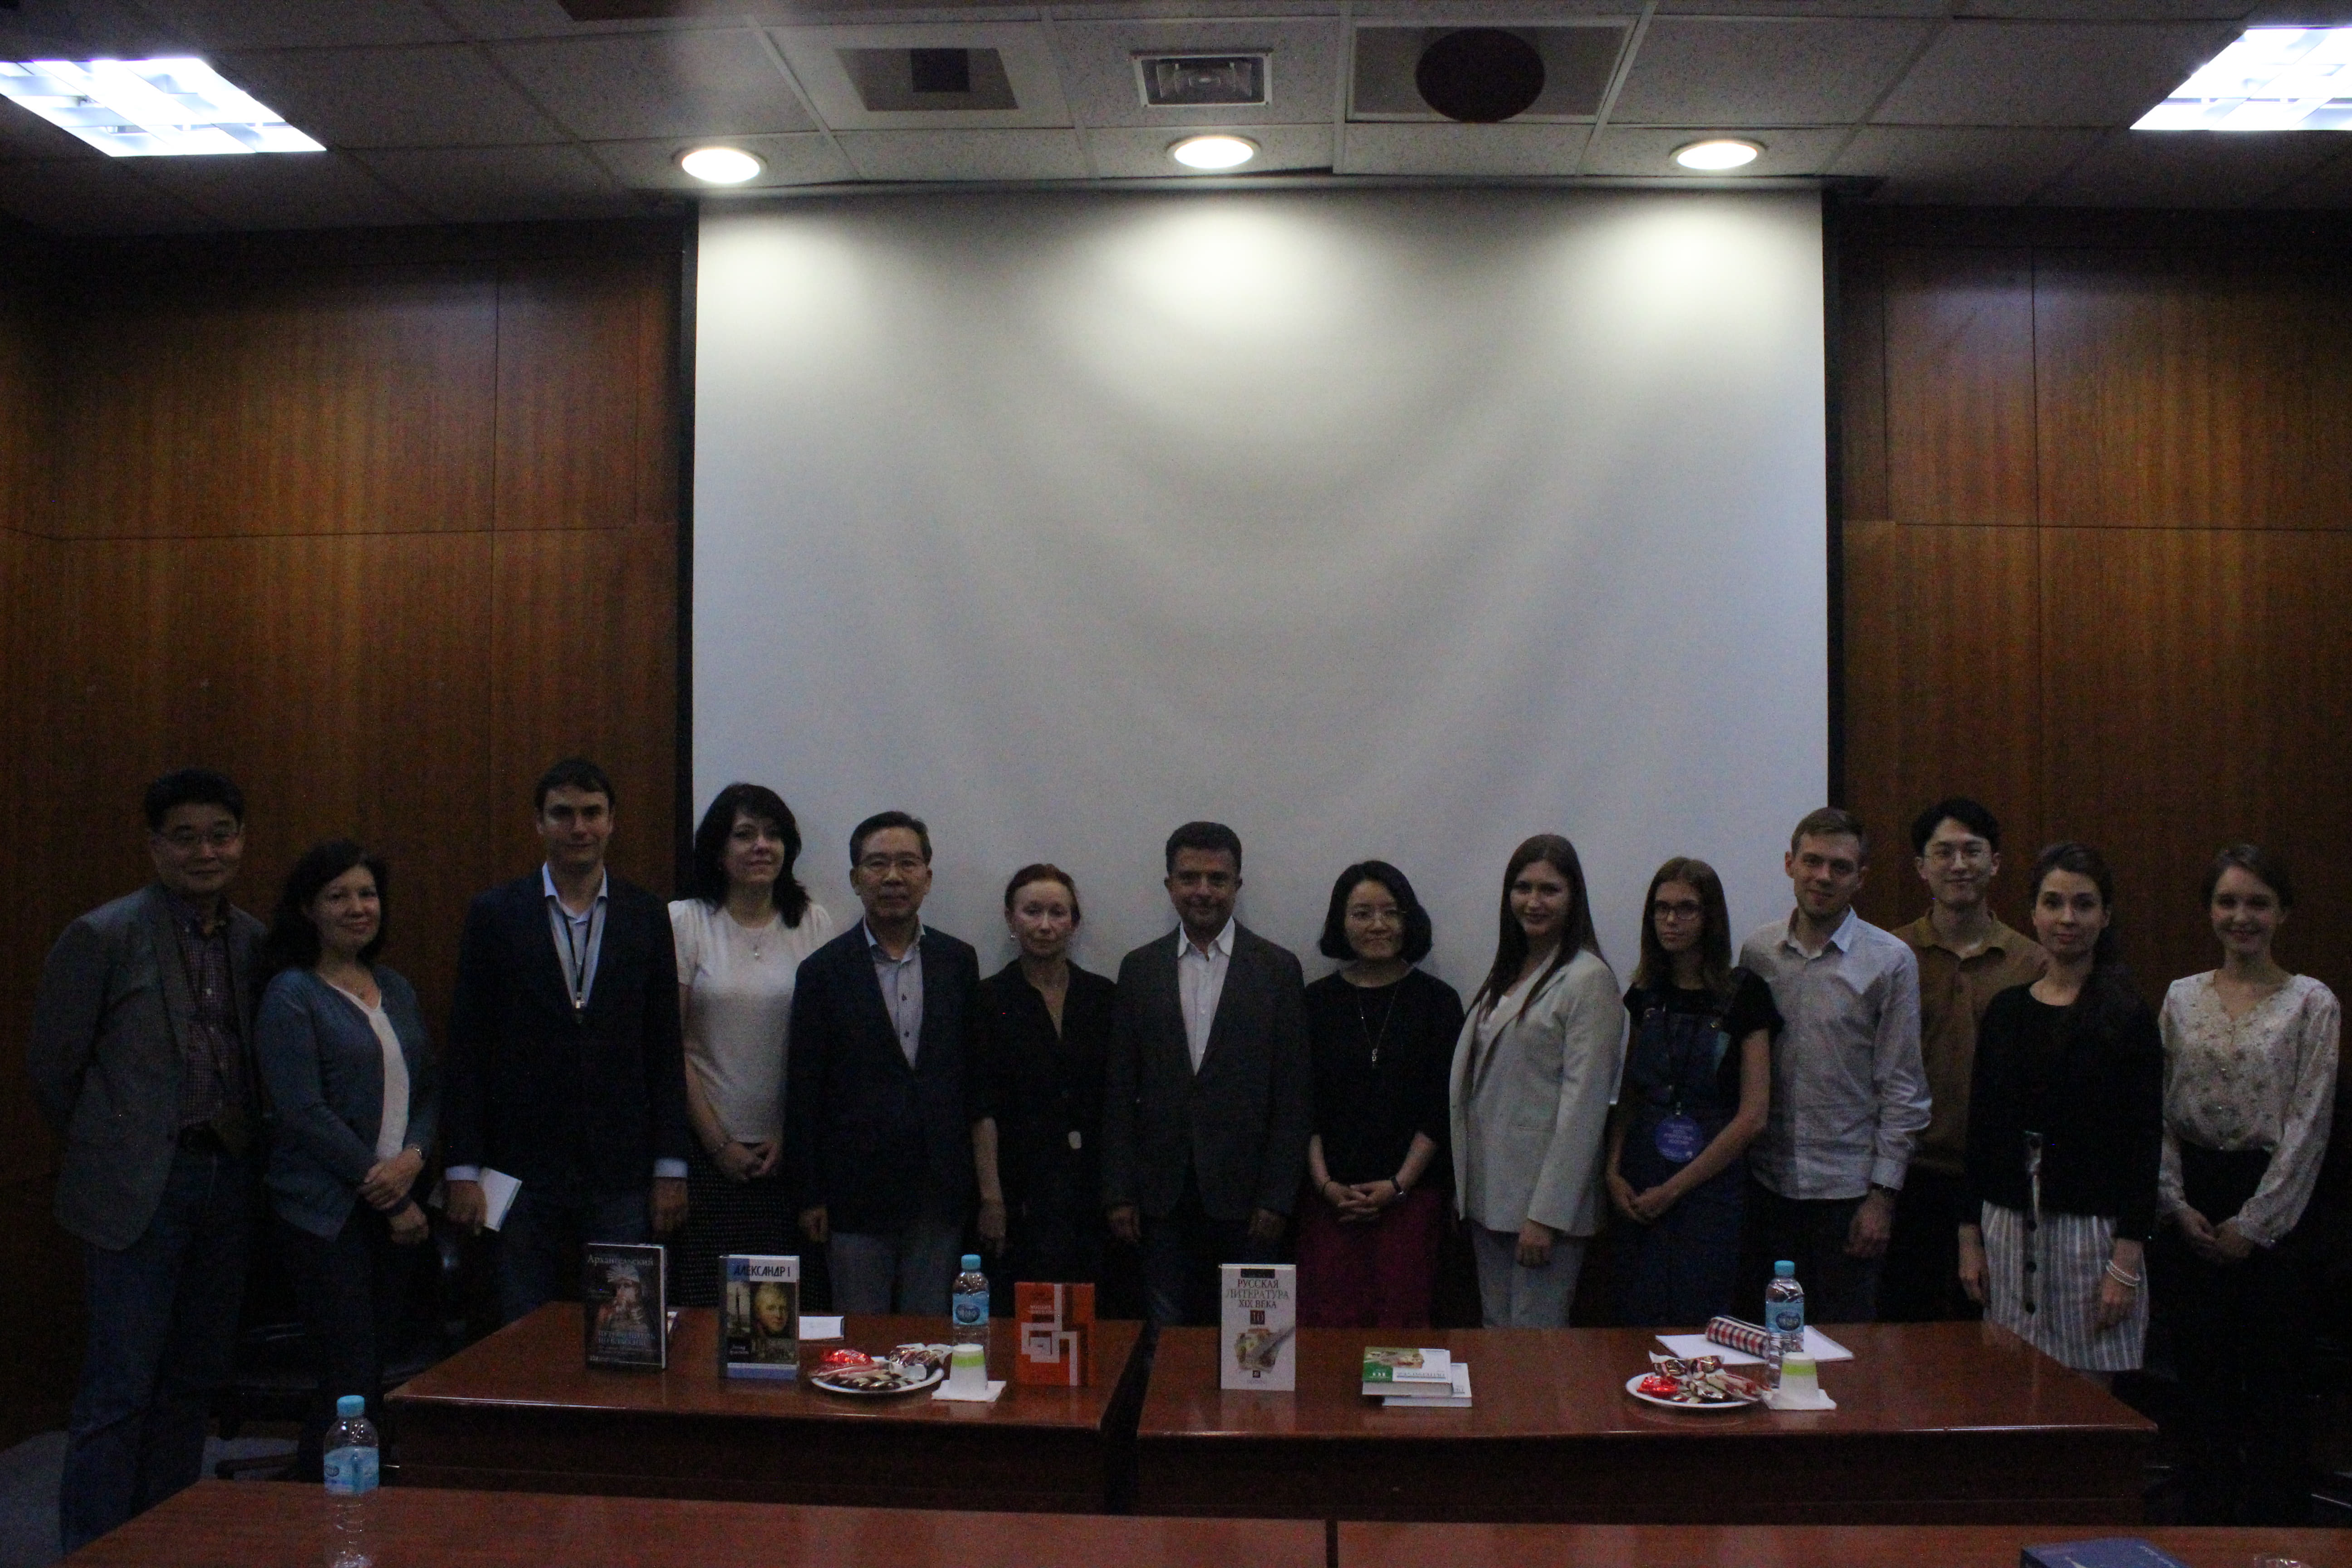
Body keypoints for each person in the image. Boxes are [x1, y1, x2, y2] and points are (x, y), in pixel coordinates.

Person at [29, 769, 266, 1554]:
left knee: (192, 1383)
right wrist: (119, 1146)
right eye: (186, 837)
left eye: (221, 835)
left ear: (242, 841)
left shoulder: (253, 940)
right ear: (155, 846)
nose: (206, 852)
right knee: (120, 1388)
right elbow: (54, 1070)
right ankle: (95, 1549)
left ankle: (165, 1542)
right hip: (136, 1190)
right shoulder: (103, 936)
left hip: (225, 1180)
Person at [443, 758, 691, 1323]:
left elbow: (663, 1048)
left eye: (592, 813)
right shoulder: (495, 914)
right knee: (521, 1329)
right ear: (539, 823)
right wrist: (461, 1168)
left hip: (622, 1171)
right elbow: (468, 1048)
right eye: (562, 814)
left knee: (625, 1332)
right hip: (520, 1171)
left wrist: (671, 1167)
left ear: (612, 822)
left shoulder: (646, 915)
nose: (579, 827)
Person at [2158, 845, 2339, 1523]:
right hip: (2192, 1204)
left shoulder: (2312, 1003)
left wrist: (2256, 1224)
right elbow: (2158, 1112)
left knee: (2273, 1387)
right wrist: (2176, 1205)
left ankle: (2274, 1538)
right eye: (2228, 902)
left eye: (2258, 903)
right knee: (2200, 1383)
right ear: (2210, 910)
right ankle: (2204, 1528)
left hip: (2277, 1209)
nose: (2242, 917)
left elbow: (2310, 1123)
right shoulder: (2180, 997)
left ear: (2283, 912)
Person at [253, 841, 436, 1480]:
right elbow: (303, 1112)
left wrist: (414, 1158)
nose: (358, 908)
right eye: (339, 896)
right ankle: (327, 1504)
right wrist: (388, 1190)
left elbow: (428, 1092)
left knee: (374, 1369)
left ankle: (358, 1496)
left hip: (396, 1206)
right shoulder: (292, 994)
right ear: (308, 909)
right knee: (348, 1373)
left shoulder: (396, 988)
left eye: (367, 894)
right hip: (325, 1214)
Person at [1959, 842, 2162, 1381]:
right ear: (2033, 913)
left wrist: (2126, 1261)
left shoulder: (2127, 1017)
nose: (2067, 918)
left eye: (2083, 904)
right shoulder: (2007, 1012)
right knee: (2010, 1388)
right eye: (2053, 903)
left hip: (2091, 1238)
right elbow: (1981, 1132)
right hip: (2006, 1228)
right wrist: (1969, 1238)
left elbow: (2144, 1145)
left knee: (2084, 1398)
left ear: (2106, 915)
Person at [1102, 822, 1313, 1327]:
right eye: (1189, 878)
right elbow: (1120, 1089)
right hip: (1160, 1193)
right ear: (1169, 885)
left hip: (1249, 1196)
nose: (1203, 891)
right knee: (1164, 1333)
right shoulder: (1139, 969)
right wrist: (1119, 1191)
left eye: (1217, 879)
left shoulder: (1278, 969)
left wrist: (1278, 1196)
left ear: (1237, 885)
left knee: (1253, 1342)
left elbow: (1293, 1095)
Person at [785, 811, 986, 1314]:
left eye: (907, 863)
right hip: (854, 1196)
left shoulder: (959, 962)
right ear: (856, 879)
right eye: (877, 864)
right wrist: (810, 1195)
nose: (893, 877)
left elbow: (971, 1080)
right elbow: (805, 1092)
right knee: (862, 1338)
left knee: (929, 1340)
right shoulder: (822, 972)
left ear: (927, 878)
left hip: (939, 1192)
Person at [1738, 807, 1927, 1324]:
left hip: (1848, 1194)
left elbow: (1904, 1089)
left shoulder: (1891, 961)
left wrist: (1882, 1199)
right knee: (1770, 1342)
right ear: (1790, 864)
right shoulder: (1758, 952)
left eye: (1840, 867)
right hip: (1767, 1186)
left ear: (1860, 877)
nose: (1823, 876)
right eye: (1812, 861)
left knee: (1848, 1350)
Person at [668, 784, 835, 1307]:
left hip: (789, 1157)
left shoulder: (813, 922)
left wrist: (790, 1133)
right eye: (745, 835)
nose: (762, 846)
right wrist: (718, 1144)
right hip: (705, 1155)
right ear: (719, 850)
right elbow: (671, 1045)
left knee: (779, 1318)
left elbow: (822, 1048)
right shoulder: (687, 921)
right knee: (712, 1312)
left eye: (773, 834)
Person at [1882, 797, 2048, 1323]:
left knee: (1989, 1332)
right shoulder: (1891, 955)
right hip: (1906, 1175)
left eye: (1972, 852)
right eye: (1944, 852)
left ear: (1994, 862)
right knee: (1904, 1331)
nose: (1959, 865)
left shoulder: (2032, 962)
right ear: (1921, 866)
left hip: (2000, 1178)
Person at [1448, 834, 1624, 1328]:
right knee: (1497, 1337)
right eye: (1523, 887)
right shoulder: (1507, 972)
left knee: (1536, 1344)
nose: (1534, 901)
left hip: (1541, 1210)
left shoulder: (1588, 979)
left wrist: (1547, 1216)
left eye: (1550, 890)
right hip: (1489, 1197)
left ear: (1574, 898)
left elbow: (1584, 1109)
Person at [1605, 857, 1779, 1327]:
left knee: (1699, 1320)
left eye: (1686, 909)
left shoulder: (1745, 994)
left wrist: (1674, 1190)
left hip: (1710, 1183)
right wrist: (1613, 1171)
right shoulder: (1646, 993)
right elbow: (1630, 1093)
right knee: (1635, 1315)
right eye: (1661, 909)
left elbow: (1754, 1117)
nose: (1671, 920)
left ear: (1710, 918)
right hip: (1642, 1173)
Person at [1298, 862, 1464, 1330]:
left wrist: (1398, 1186)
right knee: (1328, 1335)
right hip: (1330, 1204)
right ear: (1341, 922)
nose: (1378, 925)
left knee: (1402, 1334)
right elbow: (1302, 1104)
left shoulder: (1439, 1002)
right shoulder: (1314, 1002)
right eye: (1362, 913)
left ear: (1409, 921)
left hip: (1411, 1202)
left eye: (1391, 913)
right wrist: (1326, 1185)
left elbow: (1441, 1107)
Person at [972, 865, 1117, 1304]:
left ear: (1074, 922)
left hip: (1093, 1191)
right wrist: (992, 1199)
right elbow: (981, 1106)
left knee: (1094, 1314)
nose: (1045, 925)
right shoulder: (987, 999)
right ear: (1010, 919)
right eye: (1032, 911)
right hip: (1020, 1191)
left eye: (1058, 913)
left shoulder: (1104, 997)